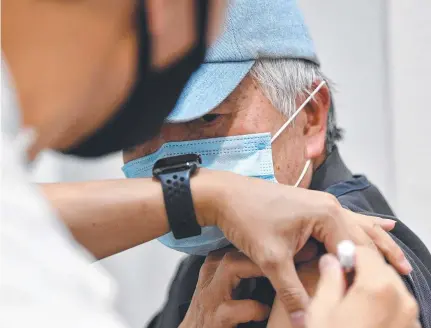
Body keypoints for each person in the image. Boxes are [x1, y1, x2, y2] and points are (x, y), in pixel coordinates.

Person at [0, 1, 423, 328]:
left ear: (310, 117)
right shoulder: (218, 258)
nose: (168, 161)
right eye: (143, 131)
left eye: (206, 119)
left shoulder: (327, 258)